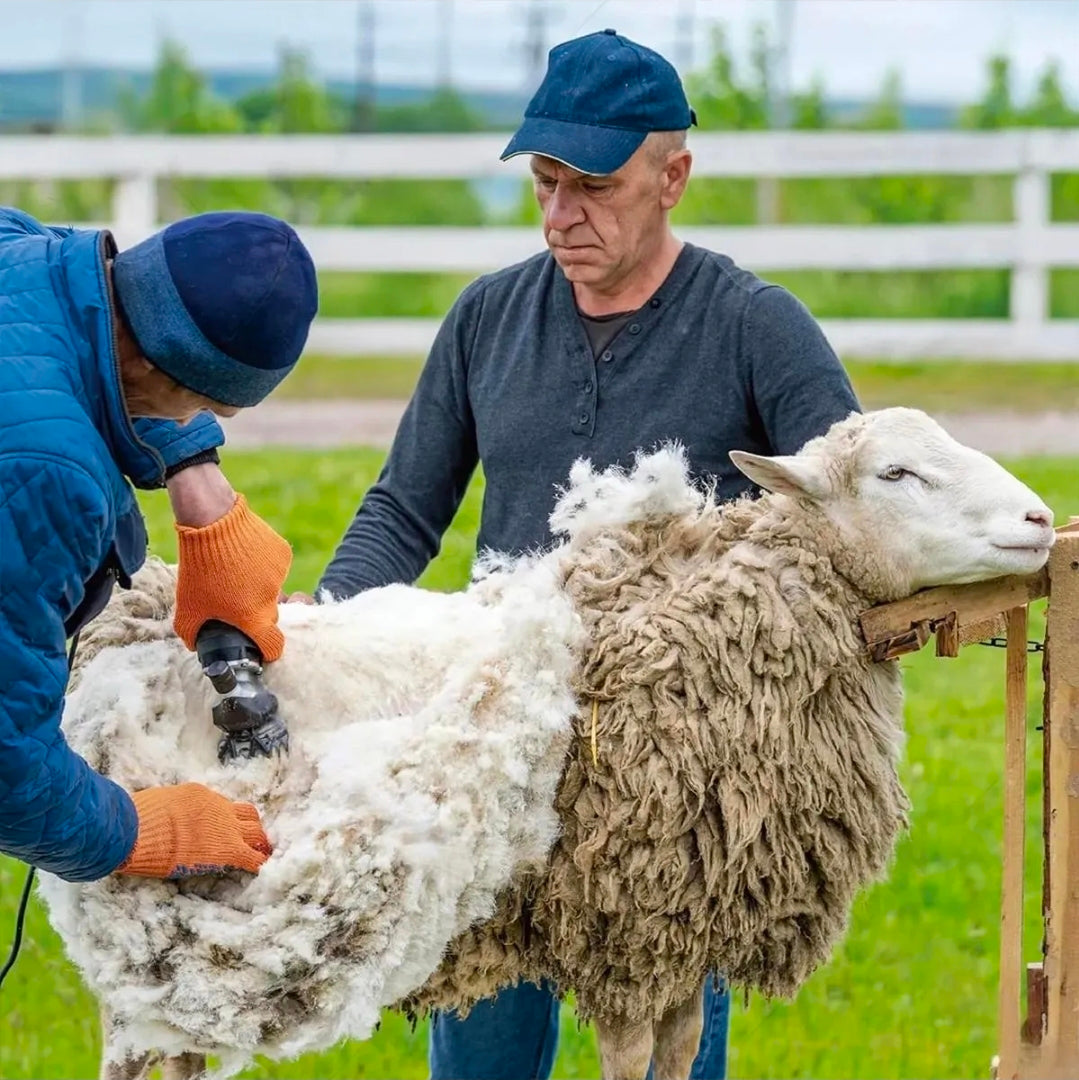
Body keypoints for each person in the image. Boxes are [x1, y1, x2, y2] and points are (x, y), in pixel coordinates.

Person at [310, 28, 861, 1080]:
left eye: (593, 187)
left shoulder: (756, 329)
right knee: (478, 1051)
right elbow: (402, 509)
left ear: (673, 176)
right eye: (545, 183)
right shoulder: (486, 319)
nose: (562, 215)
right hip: (501, 750)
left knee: (663, 1061)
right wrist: (314, 636)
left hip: (673, 783)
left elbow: (840, 510)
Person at [0, 206, 318, 884]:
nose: (199, 422)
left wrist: (195, 475)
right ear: (159, 371)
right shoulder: (49, 475)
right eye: (203, 407)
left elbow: (89, 295)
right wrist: (135, 827)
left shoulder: (21, 250)